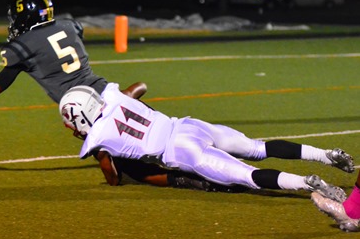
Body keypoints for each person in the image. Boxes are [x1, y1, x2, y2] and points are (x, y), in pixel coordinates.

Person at [0, 0, 216, 191]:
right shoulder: (69, 26)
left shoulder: (22, 47)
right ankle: (214, 164)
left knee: (128, 174)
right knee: (170, 141)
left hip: (87, 112)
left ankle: (194, 181)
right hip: (112, 94)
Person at [59, 83, 355, 202]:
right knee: (257, 147)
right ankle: (325, 155)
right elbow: (139, 87)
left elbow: (112, 177)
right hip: (189, 125)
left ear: (80, 118)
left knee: (248, 176)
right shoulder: (112, 95)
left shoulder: (97, 140)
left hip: (181, 152)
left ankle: (307, 182)